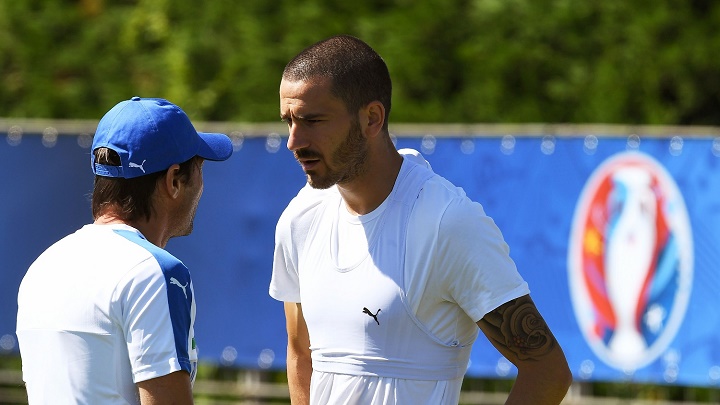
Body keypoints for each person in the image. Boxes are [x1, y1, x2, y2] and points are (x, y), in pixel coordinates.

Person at [269, 35, 572, 404]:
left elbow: (548, 371)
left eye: (313, 120)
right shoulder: (299, 220)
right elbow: (301, 353)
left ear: (372, 118)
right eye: (288, 121)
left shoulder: (447, 222)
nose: (293, 141)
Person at [16, 96, 233, 404]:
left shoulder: (41, 268)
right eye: (198, 167)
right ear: (173, 181)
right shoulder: (156, 272)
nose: (201, 183)